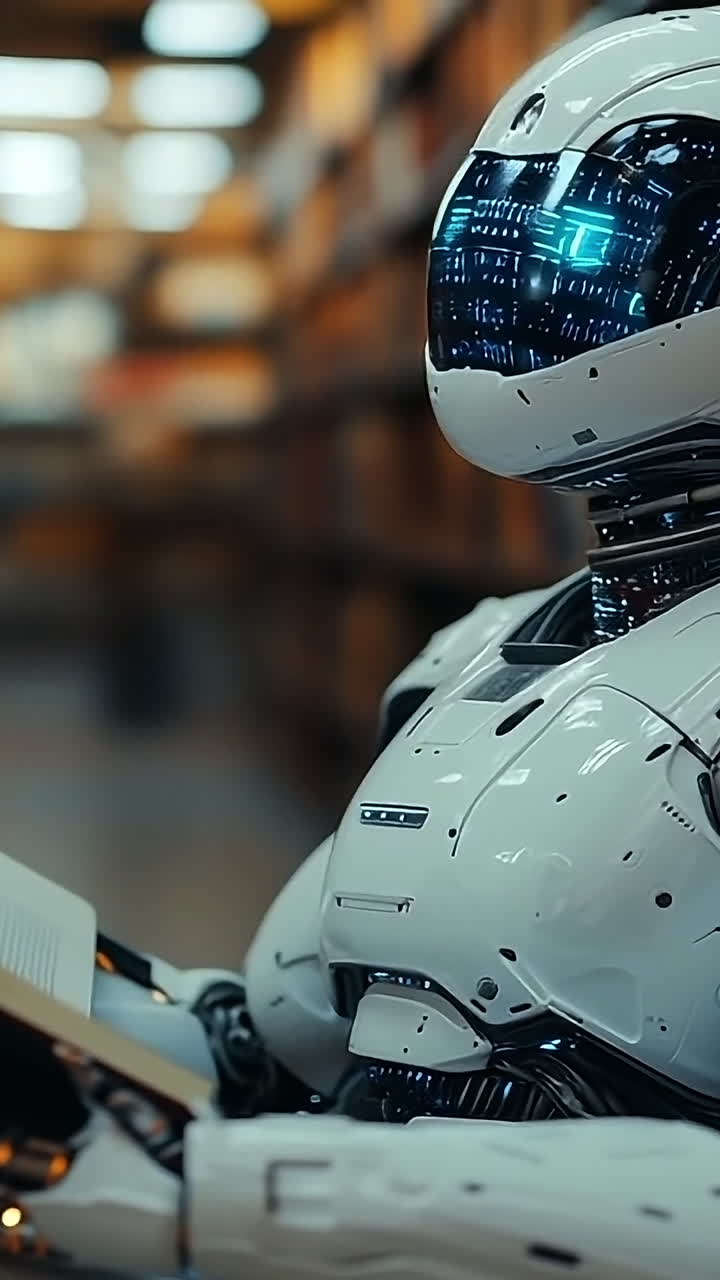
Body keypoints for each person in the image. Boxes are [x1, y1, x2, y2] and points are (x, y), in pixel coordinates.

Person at [6, 7, 720, 1277]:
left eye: (591, 245)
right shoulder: (480, 653)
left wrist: (229, 1196)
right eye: (501, 246)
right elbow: (275, 1047)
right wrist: (78, 1031)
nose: (527, 296)